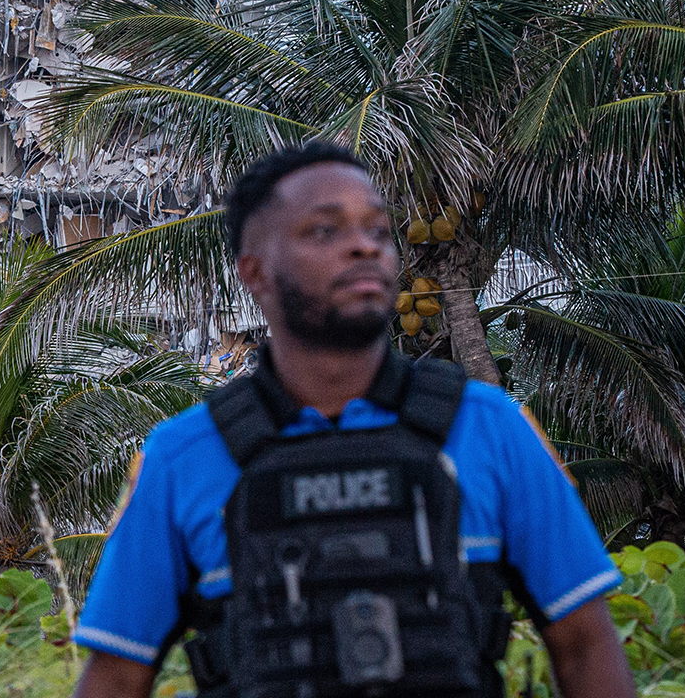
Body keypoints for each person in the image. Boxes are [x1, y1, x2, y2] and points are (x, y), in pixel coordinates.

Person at [70, 142, 634, 698]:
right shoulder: (182, 458)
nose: (364, 247)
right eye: (325, 231)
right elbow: (116, 677)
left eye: (379, 231)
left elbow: (585, 645)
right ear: (255, 272)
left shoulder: (490, 427)